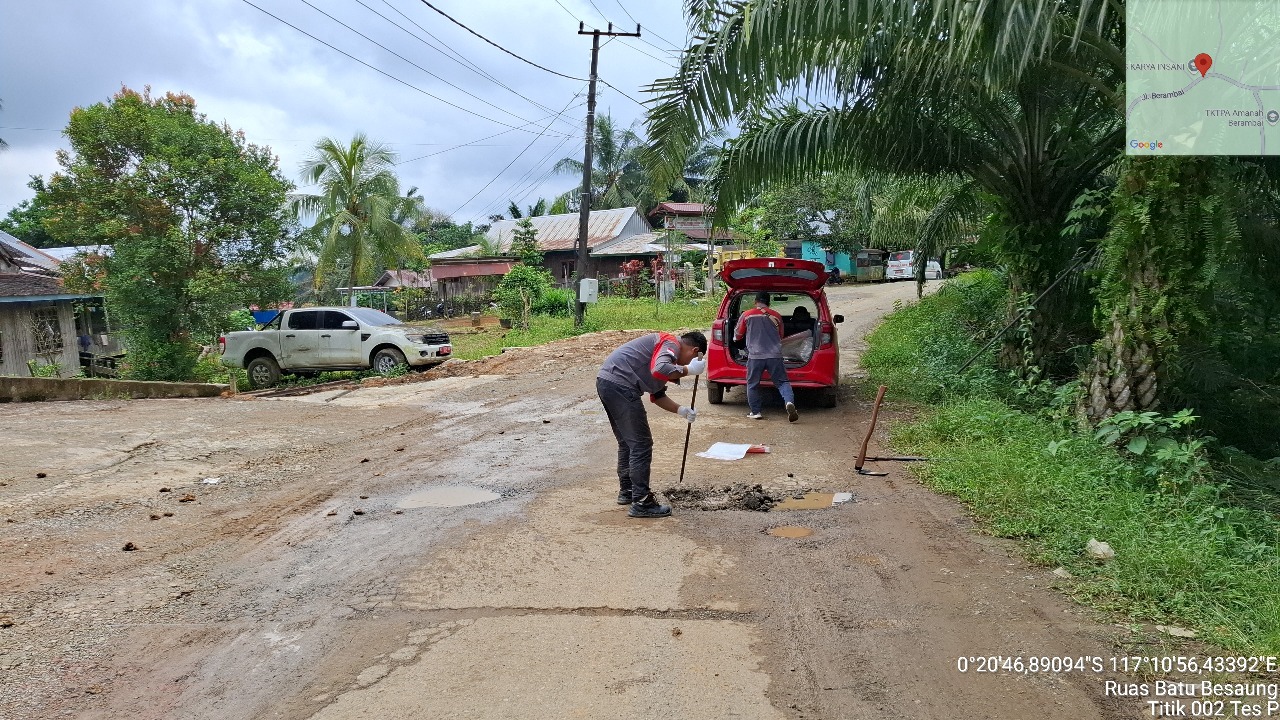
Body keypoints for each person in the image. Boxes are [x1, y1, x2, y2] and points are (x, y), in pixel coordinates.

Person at [597, 331, 708, 518]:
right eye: (693, 359)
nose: (686, 363)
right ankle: (641, 502)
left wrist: (682, 410)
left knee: (628, 442)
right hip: (621, 385)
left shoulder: (664, 349)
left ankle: (628, 492)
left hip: (608, 382)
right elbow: (660, 369)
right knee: (641, 445)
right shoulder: (671, 343)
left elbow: (657, 396)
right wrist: (690, 370)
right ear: (694, 350)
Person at [734, 291, 799, 422]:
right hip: (774, 355)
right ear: (769, 303)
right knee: (782, 382)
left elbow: (738, 335)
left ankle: (755, 412)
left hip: (755, 356)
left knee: (752, 384)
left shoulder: (746, 315)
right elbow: (780, 335)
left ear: (755, 301)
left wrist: (738, 339)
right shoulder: (777, 316)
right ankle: (788, 402)